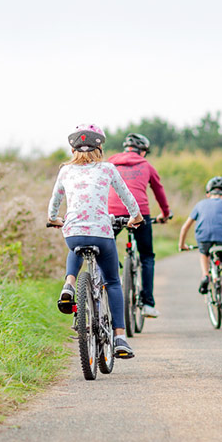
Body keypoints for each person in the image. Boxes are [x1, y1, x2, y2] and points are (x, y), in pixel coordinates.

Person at [47, 124, 145, 359]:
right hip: (101, 232)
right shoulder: (107, 169)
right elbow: (126, 196)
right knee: (112, 281)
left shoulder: (65, 171)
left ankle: (69, 283)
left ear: (73, 149)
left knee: (75, 245)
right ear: (99, 147)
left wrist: (53, 219)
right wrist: (136, 217)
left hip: (73, 232)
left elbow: (54, 201)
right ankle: (120, 337)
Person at [106, 132, 172, 318]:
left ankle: (112, 268)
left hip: (112, 211)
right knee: (147, 257)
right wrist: (165, 214)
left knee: (105, 245)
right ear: (143, 152)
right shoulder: (147, 166)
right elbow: (159, 192)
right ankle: (147, 303)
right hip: (139, 213)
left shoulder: (110, 163)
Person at [176, 176, 222, 315]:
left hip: (204, 238)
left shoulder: (200, 204)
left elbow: (185, 227)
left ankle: (205, 275)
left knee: (204, 253)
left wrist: (182, 244)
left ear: (208, 194)